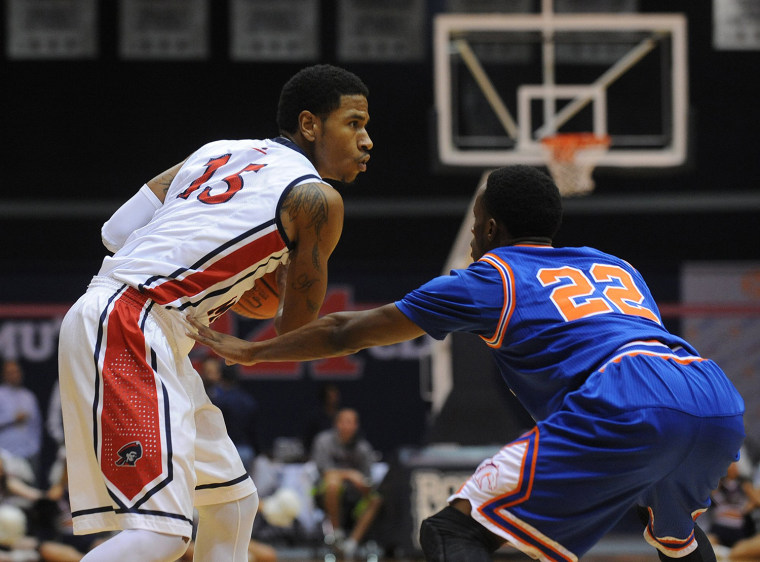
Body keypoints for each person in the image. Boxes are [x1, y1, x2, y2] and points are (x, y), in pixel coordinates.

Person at [186, 165, 746, 562]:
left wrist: (253, 349)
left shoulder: (491, 277)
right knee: (678, 540)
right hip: (711, 396)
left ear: (492, 227)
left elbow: (345, 330)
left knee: (451, 532)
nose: (475, 232)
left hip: (625, 393)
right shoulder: (615, 266)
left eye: (479, 221)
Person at [57, 63, 372, 562]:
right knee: (162, 534)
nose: (367, 139)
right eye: (354, 123)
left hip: (140, 319)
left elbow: (115, 231)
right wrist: (270, 276)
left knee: (234, 501)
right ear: (310, 125)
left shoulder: (216, 151)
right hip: (132, 322)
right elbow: (292, 324)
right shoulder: (317, 198)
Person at [311, 408, 382, 558]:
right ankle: (337, 534)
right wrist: (350, 475)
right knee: (333, 483)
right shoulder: (323, 441)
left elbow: (367, 479)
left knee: (376, 498)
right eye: (343, 421)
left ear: (356, 426)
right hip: (326, 495)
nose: (346, 426)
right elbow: (325, 471)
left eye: (350, 422)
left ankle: (352, 543)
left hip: (355, 496)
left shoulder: (364, 448)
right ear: (336, 424)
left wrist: (363, 484)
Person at [707, 460, 760, 561]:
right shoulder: (717, 484)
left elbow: (756, 501)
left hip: (740, 531)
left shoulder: (744, 485)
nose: (732, 467)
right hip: (719, 530)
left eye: (734, 464)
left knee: (741, 551)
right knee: (706, 544)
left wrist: (749, 492)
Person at [0, 360, 42, 481]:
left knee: (33, 491)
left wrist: (36, 447)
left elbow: (37, 425)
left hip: (30, 453)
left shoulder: (28, 396)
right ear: (4, 375)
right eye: (10, 372)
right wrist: (12, 419)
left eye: (16, 371)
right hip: (7, 454)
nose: (14, 375)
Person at [302, 383, 342, 454]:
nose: (333, 399)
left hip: (341, 455)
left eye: (335, 395)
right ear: (324, 397)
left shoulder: (342, 416)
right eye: (330, 396)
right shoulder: (316, 418)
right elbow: (308, 440)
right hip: (319, 454)